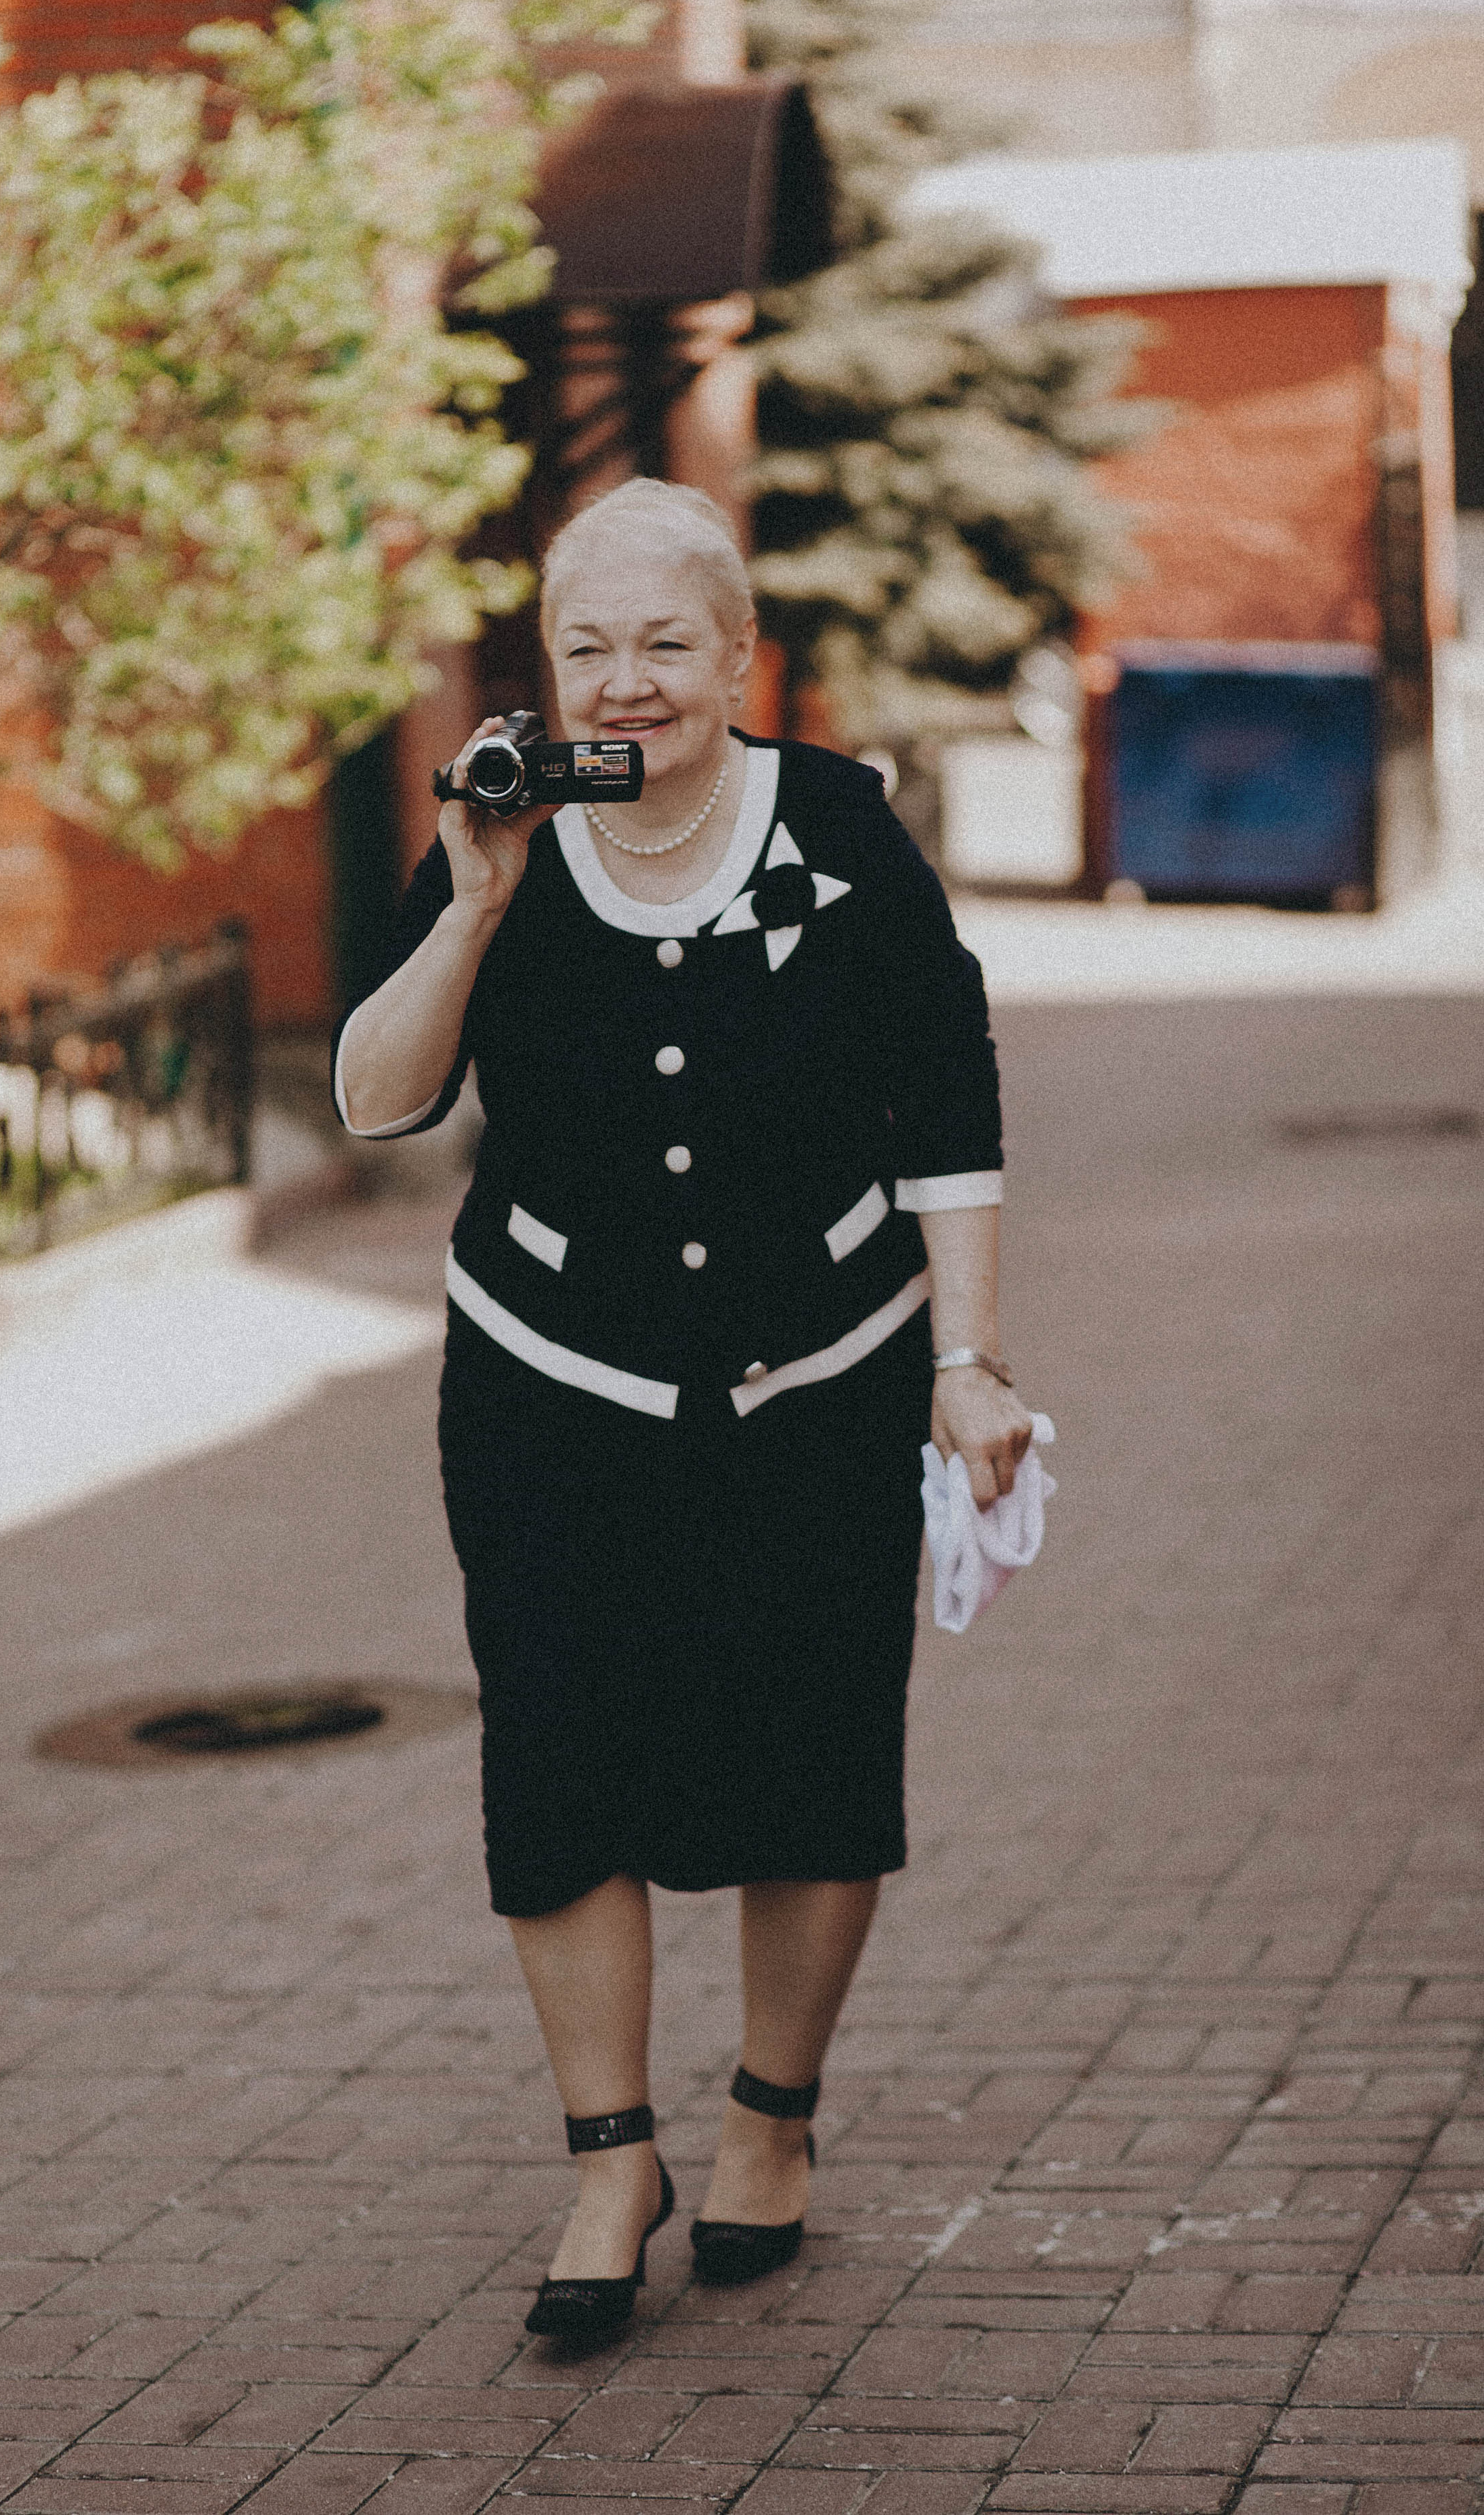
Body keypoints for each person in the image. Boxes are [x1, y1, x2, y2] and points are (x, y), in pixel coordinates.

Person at [334, 477, 1034, 2349]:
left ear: (738, 657)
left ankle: (771, 2126)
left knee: (813, 1739)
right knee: (562, 1752)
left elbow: (946, 1100)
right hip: (553, 1382)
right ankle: (606, 2156)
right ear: (546, 669)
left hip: (822, 1370)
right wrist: (471, 911)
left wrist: (966, 1365)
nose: (623, 684)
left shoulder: (836, 832)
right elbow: (375, 1103)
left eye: (664, 644)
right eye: (587, 649)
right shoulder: (509, 835)